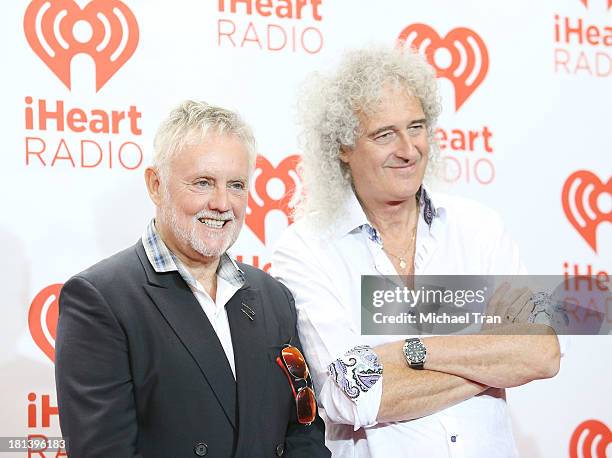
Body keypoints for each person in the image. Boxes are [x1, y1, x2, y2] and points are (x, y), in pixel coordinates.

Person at [271, 47, 562, 457]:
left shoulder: (479, 228)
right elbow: (351, 396)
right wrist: (490, 351)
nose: (408, 149)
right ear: (342, 146)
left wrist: (414, 352)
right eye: (384, 134)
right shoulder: (306, 250)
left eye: (417, 126)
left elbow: (543, 352)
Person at [55, 100, 330, 458]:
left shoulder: (273, 296)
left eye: (236, 185)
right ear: (156, 185)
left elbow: (303, 429)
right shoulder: (100, 300)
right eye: (203, 182)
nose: (222, 203)